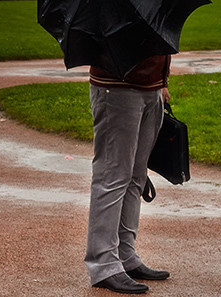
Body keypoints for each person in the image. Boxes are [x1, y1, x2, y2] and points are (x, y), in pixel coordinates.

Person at [85, 54, 171, 294]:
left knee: (136, 178)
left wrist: (163, 82)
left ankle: (125, 254)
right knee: (112, 178)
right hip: (117, 88)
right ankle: (103, 264)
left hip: (151, 88)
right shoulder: (109, 13)